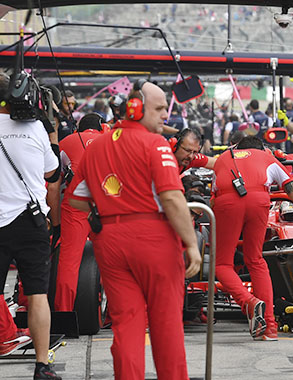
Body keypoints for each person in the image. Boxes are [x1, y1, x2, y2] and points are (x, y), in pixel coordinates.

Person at [68, 81, 202, 379]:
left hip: (110, 241)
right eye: (157, 109)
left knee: (126, 325)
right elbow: (171, 197)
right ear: (135, 107)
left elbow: (76, 198)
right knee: (166, 324)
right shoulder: (155, 144)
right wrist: (191, 243)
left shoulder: (97, 145)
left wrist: (101, 212)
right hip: (154, 239)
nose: (163, 116)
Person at [212, 136, 293, 340]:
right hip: (259, 202)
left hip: (226, 203)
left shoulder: (222, 159)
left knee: (221, 264)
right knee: (256, 260)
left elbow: (213, 198)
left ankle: (249, 303)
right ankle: (270, 328)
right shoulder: (268, 158)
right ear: (262, 149)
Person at [0, 73, 62, 379]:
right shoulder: (36, 128)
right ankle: (42, 365)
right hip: (31, 219)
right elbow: (53, 173)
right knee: (38, 295)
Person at [54, 113, 105, 313]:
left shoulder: (66, 141)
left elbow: (52, 182)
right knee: (117, 260)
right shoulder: (110, 141)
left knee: (69, 262)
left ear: (78, 129)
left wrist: (55, 222)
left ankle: (64, 313)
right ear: (101, 128)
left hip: (76, 205)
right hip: (108, 206)